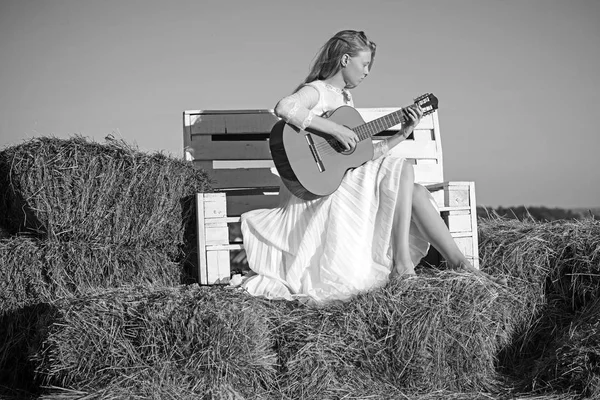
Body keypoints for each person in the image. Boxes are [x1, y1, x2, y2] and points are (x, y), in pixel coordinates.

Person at [238, 30, 503, 303]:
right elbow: (285, 106)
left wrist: (403, 132)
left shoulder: (346, 101)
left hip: (343, 184)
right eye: (364, 64)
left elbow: (362, 155)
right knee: (401, 167)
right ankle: (402, 265)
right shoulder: (317, 91)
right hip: (319, 195)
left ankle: (460, 264)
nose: (367, 72)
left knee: (417, 192)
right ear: (344, 60)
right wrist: (334, 130)